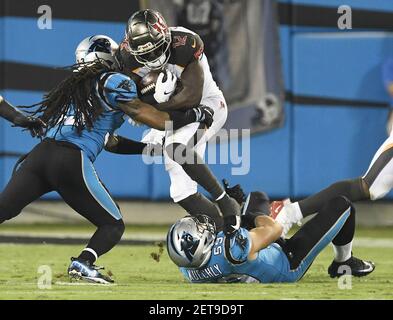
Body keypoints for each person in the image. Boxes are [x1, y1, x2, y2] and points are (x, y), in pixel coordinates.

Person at [0, 35, 214, 284]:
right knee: (113, 225)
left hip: (40, 156)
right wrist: (193, 114)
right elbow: (151, 117)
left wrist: (147, 149)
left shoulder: (74, 89)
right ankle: (83, 263)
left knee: (4, 210)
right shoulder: (114, 81)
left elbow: (110, 142)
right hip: (70, 159)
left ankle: (83, 263)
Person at [115, 9, 240, 235]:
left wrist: (151, 108)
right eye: (145, 54)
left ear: (165, 37)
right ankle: (229, 235)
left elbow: (191, 96)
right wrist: (144, 107)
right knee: (181, 192)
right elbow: (136, 101)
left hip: (207, 106)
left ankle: (226, 203)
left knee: (176, 149)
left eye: (155, 50)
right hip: (174, 115)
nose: (152, 59)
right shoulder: (126, 57)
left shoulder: (185, 42)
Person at [167, 195, 375, 284]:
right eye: (201, 229)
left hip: (250, 263)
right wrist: (243, 218)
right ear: (203, 243)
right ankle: (343, 262)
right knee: (342, 205)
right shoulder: (233, 249)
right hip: (286, 262)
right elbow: (274, 229)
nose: (204, 226)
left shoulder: (188, 268)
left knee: (256, 197)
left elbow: (217, 249)